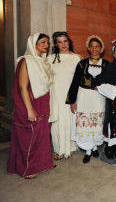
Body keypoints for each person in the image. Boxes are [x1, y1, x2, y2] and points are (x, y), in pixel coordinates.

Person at [7, 32, 54, 179]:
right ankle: (27, 168)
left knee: (42, 135)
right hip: (31, 103)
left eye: (47, 42)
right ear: (33, 44)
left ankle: (41, 164)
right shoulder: (26, 61)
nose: (46, 45)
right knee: (29, 137)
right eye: (43, 42)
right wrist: (29, 109)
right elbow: (22, 87)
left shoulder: (43, 61)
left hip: (42, 102)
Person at [66, 35, 110, 164]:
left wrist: (103, 88)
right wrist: (72, 101)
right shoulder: (82, 63)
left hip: (99, 98)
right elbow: (74, 83)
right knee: (86, 123)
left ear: (101, 48)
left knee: (97, 123)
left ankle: (95, 147)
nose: (94, 49)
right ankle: (88, 151)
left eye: (97, 46)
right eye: (92, 46)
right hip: (84, 97)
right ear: (88, 48)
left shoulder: (107, 64)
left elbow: (111, 83)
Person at [48, 32, 82, 160]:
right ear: (56, 44)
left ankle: (70, 148)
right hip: (56, 95)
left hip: (72, 95)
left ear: (69, 42)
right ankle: (58, 149)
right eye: (60, 42)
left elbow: (80, 79)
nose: (63, 44)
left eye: (65, 41)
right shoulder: (50, 59)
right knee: (57, 122)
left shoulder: (77, 58)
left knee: (70, 120)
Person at [96, 38, 116, 160]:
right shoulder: (108, 67)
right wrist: (115, 87)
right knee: (113, 123)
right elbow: (99, 84)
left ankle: (115, 148)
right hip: (114, 100)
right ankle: (109, 147)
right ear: (113, 52)